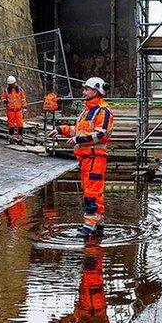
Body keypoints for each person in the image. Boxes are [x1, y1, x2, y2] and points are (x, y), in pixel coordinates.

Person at [51, 77, 113, 239]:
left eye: (87, 89)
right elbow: (77, 130)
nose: (84, 92)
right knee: (92, 191)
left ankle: (89, 226)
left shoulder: (103, 111)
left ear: (96, 91)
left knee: (92, 193)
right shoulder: (87, 111)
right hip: (86, 159)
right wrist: (60, 129)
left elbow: (101, 134)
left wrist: (78, 140)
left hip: (95, 159)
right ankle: (97, 223)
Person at [52, 242, 112, 323]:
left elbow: (80, 321)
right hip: (93, 303)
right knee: (92, 270)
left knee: (89, 270)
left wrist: (65, 321)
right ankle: (93, 239)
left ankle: (92, 238)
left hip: (87, 302)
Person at [1, 75, 27, 144]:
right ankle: (11, 138)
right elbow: (3, 97)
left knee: (20, 125)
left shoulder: (20, 90)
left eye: (11, 84)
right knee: (11, 125)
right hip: (10, 110)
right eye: (9, 84)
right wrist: (4, 101)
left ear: (14, 83)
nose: (11, 85)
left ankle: (20, 139)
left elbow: (23, 99)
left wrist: (24, 107)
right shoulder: (6, 90)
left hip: (18, 110)